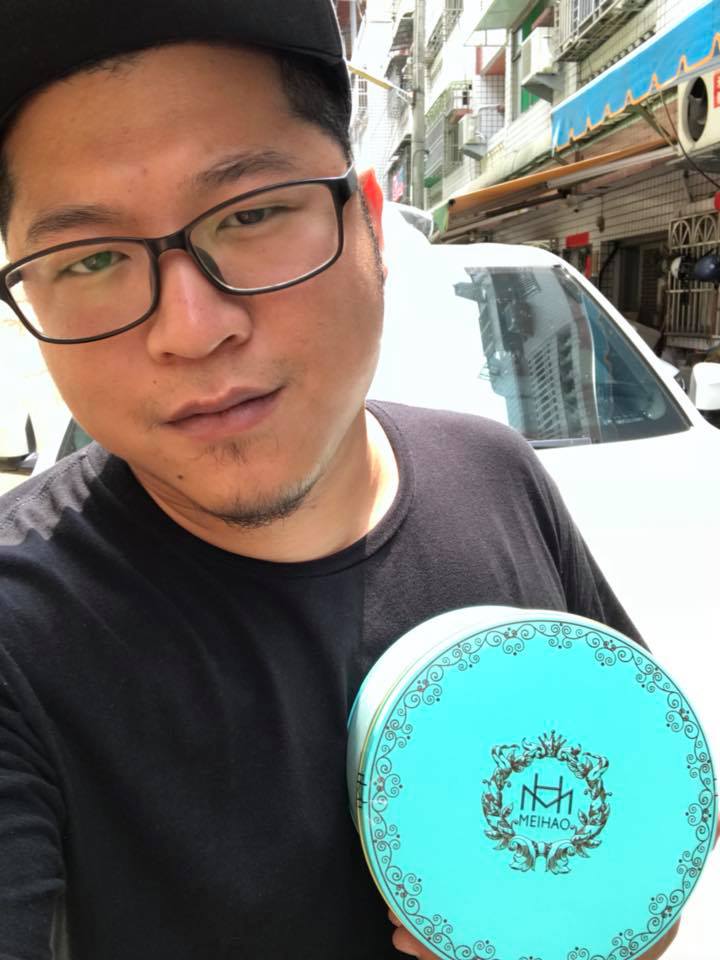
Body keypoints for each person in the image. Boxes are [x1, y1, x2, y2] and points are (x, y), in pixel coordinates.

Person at [0, 2, 685, 957]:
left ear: (369, 222)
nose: (192, 329)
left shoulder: (496, 476)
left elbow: (641, 829)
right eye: (93, 259)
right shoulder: (21, 635)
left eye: (251, 214)